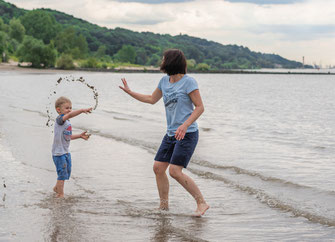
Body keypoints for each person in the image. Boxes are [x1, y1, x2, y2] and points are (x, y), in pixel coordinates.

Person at [119, 49, 209, 216]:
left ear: (171, 61)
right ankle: (164, 206)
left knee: (174, 171)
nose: (161, 61)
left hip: (187, 133)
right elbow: (151, 99)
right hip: (171, 134)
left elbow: (200, 107)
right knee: (158, 168)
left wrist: (185, 124)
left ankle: (201, 203)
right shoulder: (164, 81)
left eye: (163, 58)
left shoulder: (189, 82)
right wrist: (131, 93)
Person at [52, 96, 92, 198]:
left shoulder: (67, 122)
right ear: (58, 110)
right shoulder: (60, 120)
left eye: (70, 107)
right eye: (67, 108)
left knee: (66, 172)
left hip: (65, 152)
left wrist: (79, 136)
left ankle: (57, 187)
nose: (69, 110)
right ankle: (60, 194)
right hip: (59, 153)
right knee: (62, 173)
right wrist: (82, 110)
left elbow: (68, 137)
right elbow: (70, 114)